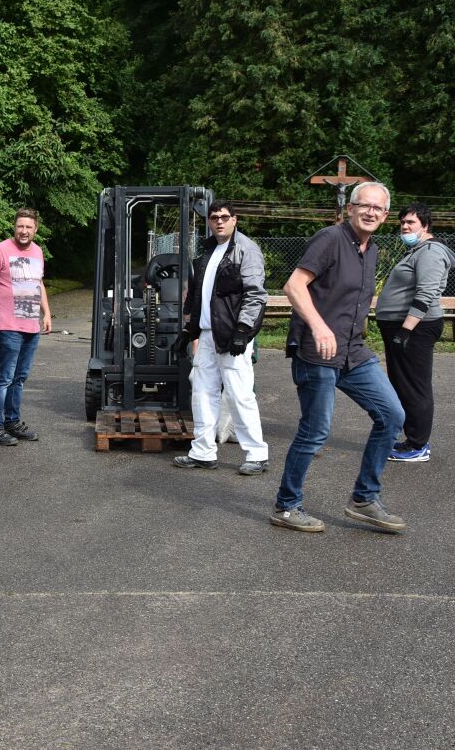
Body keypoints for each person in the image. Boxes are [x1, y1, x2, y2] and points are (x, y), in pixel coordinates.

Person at [273, 182, 406, 533]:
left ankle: (364, 498)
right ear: (350, 208)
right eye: (364, 206)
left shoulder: (372, 249)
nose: (371, 212)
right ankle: (287, 506)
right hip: (317, 353)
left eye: (378, 208)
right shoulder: (330, 239)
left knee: (392, 415)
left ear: (386, 215)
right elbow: (294, 285)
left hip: (354, 352)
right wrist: (318, 326)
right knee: (316, 431)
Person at [171, 200, 269, 475]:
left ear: (235, 219)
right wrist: (188, 330)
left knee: (240, 395)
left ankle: (257, 455)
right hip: (206, 334)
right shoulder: (208, 249)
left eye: (225, 217)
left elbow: (255, 295)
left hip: (232, 335)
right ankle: (202, 452)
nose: (219, 222)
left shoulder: (246, 249)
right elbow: (198, 293)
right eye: (214, 218)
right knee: (202, 393)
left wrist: (243, 331)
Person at [376, 202, 455, 462]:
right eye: (402, 223)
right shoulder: (418, 250)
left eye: (410, 222)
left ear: (426, 225)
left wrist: (406, 330)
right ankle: (412, 440)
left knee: (414, 386)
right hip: (404, 326)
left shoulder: (431, 251)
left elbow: (427, 292)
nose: (405, 227)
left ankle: (418, 445)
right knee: (404, 384)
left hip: (416, 328)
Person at [0, 208, 52, 446]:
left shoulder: (38, 252)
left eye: (28, 227)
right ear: (14, 227)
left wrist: (46, 313)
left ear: (35, 229)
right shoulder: (1, 250)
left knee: (19, 378)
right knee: (4, 378)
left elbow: (38, 284)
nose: (24, 231)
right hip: (7, 327)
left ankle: (12, 422)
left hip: (31, 326)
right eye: (20, 226)